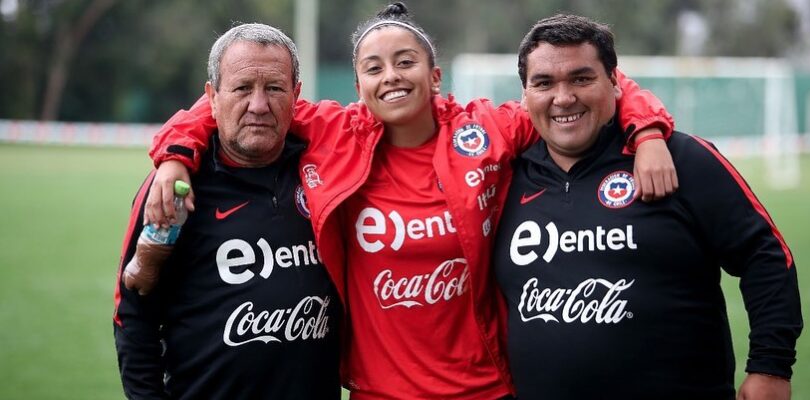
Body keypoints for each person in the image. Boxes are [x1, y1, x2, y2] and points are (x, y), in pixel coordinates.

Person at [144, 3, 676, 399]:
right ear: (357, 85)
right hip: (379, 391)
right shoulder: (332, 129)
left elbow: (595, 80)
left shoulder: (489, 128)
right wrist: (173, 156)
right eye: (374, 68)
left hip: (485, 388)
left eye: (406, 62)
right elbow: (220, 100)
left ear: (435, 75)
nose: (391, 76)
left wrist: (649, 132)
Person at [493, 14, 803, 400]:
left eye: (581, 78)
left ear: (615, 83)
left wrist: (771, 367)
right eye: (543, 83)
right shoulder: (501, 179)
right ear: (524, 95)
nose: (563, 97)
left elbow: (765, 256)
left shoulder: (681, 159)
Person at [113, 23, 341, 400]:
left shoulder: (328, 174)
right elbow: (134, 317)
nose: (258, 105)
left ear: (296, 95)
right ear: (213, 97)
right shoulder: (174, 189)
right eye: (241, 89)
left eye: (274, 88)